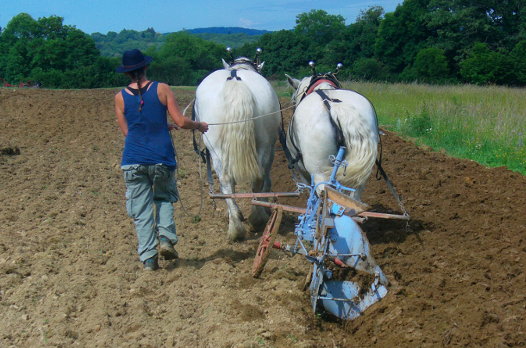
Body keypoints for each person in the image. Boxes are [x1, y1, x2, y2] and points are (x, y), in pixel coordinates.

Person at [114, 49, 208, 271]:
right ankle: (165, 239)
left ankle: (148, 258)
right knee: (164, 199)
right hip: (161, 158)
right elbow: (181, 121)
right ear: (145, 67)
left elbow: (129, 132)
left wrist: (158, 125)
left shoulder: (119, 97)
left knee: (141, 210)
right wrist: (199, 125)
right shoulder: (162, 88)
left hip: (133, 160)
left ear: (126, 73)